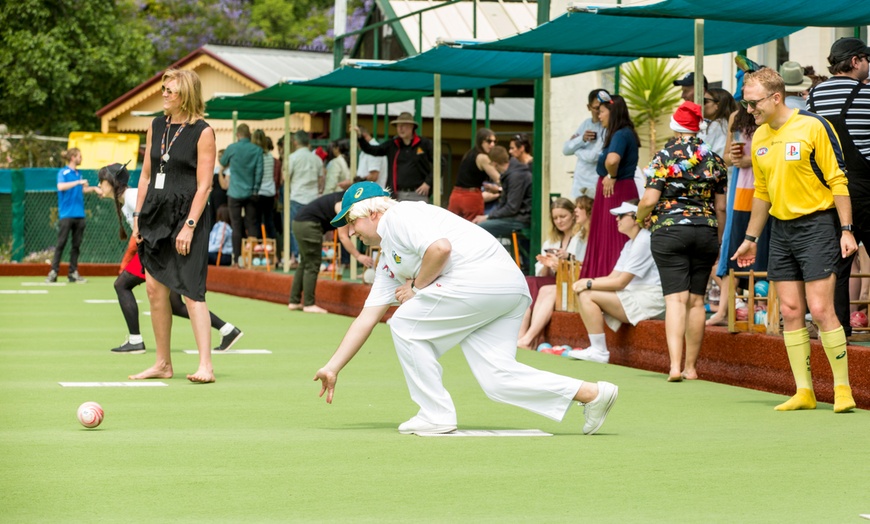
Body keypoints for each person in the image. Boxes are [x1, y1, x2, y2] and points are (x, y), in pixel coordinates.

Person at [312, 182, 619, 436]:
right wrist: (333, 367)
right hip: (507, 288)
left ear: (375, 212)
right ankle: (593, 393)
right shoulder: (388, 259)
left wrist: (417, 287)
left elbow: (440, 248)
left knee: (405, 321)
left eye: (352, 221)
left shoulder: (400, 216)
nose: (351, 232)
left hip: (480, 280)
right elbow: (367, 318)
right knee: (497, 378)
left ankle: (435, 414)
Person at [732, 68, 857, 413]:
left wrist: (846, 229)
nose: (749, 109)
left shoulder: (813, 126)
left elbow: (837, 180)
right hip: (780, 229)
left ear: (775, 97)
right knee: (790, 310)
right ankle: (804, 391)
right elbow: (761, 192)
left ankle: (842, 388)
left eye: (753, 102)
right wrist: (750, 237)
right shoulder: (758, 136)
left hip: (818, 224)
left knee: (820, 309)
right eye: (746, 102)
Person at [98, 163, 244, 354]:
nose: (99, 185)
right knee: (175, 305)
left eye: (101, 181)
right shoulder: (127, 198)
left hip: (157, 252)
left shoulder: (133, 197)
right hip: (156, 251)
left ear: (112, 182)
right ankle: (228, 330)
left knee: (122, 285)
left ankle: (135, 340)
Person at [129, 68, 218, 383]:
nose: (164, 93)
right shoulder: (156, 125)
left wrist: (190, 225)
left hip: (187, 215)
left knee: (192, 290)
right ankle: (162, 364)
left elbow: (204, 186)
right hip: (154, 214)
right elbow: (145, 175)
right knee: (154, 289)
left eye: (171, 90)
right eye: (163, 88)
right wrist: (138, 217)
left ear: (187, 95)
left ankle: (205, 365)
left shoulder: (203, 131)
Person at [636, 102, 727, 381]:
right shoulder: (714, 158)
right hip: (706, 231)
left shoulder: (664, 156)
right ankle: (691, 368)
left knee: (676, 299)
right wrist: (718, 237)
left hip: (670, 230)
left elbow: (650, 199)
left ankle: (674, 366)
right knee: (697, 301)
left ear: (675, 127)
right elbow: (721, 206)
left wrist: (641, 217)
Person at [807, 37, 870, 338]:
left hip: (828, 188)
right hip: (864, 186)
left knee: (839, 264)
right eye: (867, 60)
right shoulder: (867, 95)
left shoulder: (813, 97)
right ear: (856, 61)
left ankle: (838, 330)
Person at [567, 201, 665, 364]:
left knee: (587, 294)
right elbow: (613, 277)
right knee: (584, 291)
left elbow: (620, 283)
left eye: (621, 215)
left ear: (635, 219)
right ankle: (597, 349)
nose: (616, 219)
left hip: (650, 300)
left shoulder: (644, 240)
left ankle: (599, 351)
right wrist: (586, 281)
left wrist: (589, 284)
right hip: (635, 295)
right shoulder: (631, 242)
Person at [706, 102, 771, 326]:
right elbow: (726, 156)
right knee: (733, 250)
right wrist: (734, 157)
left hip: (767, 191)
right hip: (741, 191)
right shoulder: (736, 116)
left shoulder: (771, 115)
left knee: (764, 252)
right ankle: (724, 310)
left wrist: (749, 160)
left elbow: (776, 153)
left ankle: (766, 310)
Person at [517, 195, 593, 349]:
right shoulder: (550, 240)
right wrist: (547, 265)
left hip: (571, 282)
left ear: (573, 215)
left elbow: (584, 266)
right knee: (529, 282)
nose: (559, 221)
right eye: (555, 218)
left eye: (563, 216)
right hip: (553, 280)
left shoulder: (581, 237)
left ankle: (527, 339)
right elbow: (542, 274)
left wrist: (563, 263)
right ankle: (522, 337)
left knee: (540, 287)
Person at [580, 92, 640, 280]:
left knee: (611, 238)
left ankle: (606, 279)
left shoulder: (621, 133)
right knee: (609, 237)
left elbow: (613, 159)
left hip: (616, 190)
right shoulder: (622, 132)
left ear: (612, 112)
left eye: (602, 111)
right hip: (618, 189)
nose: (599, 115)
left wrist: (611, 175)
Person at [288, 190, 375, 314]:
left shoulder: (342, 198)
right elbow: (343, 237)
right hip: (308, 225)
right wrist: (358, 255)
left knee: (305, 262)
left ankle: (294, 301)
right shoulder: (342, 205)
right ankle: (308, 304)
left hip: (299, 223)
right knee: (313, 263)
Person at [46, 148, 100, 283]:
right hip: (66, 215)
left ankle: (73, 273)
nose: (81, 159)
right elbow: (60, 187)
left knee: (76, 245)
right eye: (79, 156)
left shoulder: (79, 173)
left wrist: (93, 189)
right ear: (72, 158)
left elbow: (82, 189)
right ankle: (53, 272)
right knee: (61, 243)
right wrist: (78, 182)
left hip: (79, 215)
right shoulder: (63, 172)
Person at [356, 112, 434, 202]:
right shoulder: (393, 144)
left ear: (412, 127)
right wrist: (360, 137)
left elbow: (440, 164)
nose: (400, 128)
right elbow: (373, 150)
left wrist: (428, 183)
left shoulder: (424, 144)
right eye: (398, 125)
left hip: (419, 193)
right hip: (397, 194)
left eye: (403, 125)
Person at [219, 123, 263, 266]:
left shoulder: (232, 148)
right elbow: (259, 172)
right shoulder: (257, 150)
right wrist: (255, 189)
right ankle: (252, 259)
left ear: (238, 135)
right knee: (251, 225)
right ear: (249, 134)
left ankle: (236, 260)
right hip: (251, 192)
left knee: (236, 226)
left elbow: (222, 161)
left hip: (235, 192)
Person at [474, 146, 532, 237]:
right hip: (519, 217)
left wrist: (487, 217)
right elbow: (507, 205)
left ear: (494, 163)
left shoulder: (514, 176)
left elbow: (511, 208)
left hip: (521, 219)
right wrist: (488, 217)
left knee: (480, 228)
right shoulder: (513, 173)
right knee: (480, 226)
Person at [448, 128, 501, 221]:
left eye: (495, 141)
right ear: (481, 141)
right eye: (489, 141)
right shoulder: (482, 157)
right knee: (474, 229)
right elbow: (498, 178)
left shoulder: (468, 154)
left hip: (455, 195)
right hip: (471, 197)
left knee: (451, 228)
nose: (492, 145)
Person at [287, 130, 323, 266]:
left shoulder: (292, 158)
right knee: (313, 229)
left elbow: (286, 178)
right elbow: (321, 180)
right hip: (313, 198)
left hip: (297, 196)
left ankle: (295, 256)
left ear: (295, 142)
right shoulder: (317, 159)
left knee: (294, 229)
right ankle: (310, 256)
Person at [563, 89, 607, 198]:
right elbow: (566, 150)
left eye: (602, 108)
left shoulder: (607, 128)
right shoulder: (586, 124)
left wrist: (577, 149)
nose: (599, 111)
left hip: (595, 183)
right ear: (589, 107)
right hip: (579, 182)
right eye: (596, 108)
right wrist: (581, 139)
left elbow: (594, 156)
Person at [252, 130, 277, 240]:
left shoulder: (254, 156)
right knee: (269, 221)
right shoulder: (270, 156)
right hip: (270, 192)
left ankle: (258, 248)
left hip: (257, 192)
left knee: (256, 221)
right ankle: (273, 248)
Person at [700, 88, 738, 157]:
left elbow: (699, 150)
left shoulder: (716, 125)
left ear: (717, 105)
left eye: (704, 101)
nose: (701, 105)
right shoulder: (727, 122)